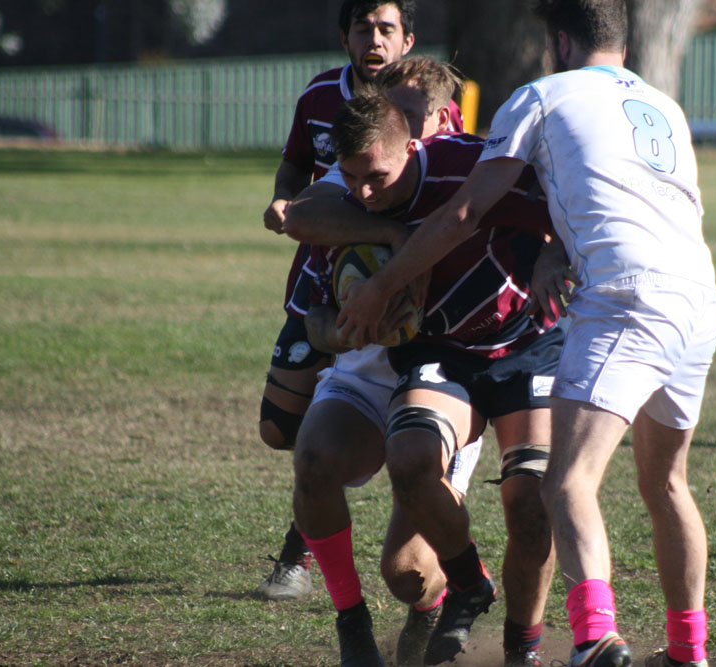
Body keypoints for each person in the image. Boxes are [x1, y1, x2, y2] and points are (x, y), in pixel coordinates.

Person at [332, 1, 716, 666]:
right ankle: (688, 651)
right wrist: (555, 249)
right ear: (623, 43)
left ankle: (594, 636)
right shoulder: (664, 107)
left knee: (566, 482)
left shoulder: (541, 95)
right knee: (667, 484)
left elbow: (464, 211)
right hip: (697, 296)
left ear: (560, 41)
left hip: (625, 294)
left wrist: (379, 286)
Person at [286, 90, 569, 666]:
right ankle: (467, 583)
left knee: (530, 501)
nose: (365, 193)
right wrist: (347, 328)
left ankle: (522, 650)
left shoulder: (469, 168)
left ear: (412, 148)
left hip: (528, 344)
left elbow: (568, 201)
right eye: (351, 178)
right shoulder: (348, 211)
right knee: (409, 457)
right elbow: (313, 295)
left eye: (377, 178)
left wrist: (555, 251)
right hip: (443, 352)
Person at [254, 0, 462, 602]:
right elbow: (299, 181)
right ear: (344, 36)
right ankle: (324, 513)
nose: (374, 39)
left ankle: (313, 551)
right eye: (362, 28)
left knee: (408, 568)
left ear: (407, 40)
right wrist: (381, 235)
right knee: (283, 431)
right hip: (325, 281)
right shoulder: (322, 96)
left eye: (385, 28)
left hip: (433, 345)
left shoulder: (452, 148)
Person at [285, 57, 485, 667]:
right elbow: (301, 219)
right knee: (311, 460)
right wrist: (345, 325)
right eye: (389, 107)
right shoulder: (357, 180)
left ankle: (432, 605)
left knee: (406, 573)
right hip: (365, 377)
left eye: (411, 113)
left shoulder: (468, 174)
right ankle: (351, 621)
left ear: (442, 120)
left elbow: (543, 205)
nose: (395, 120)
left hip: (444, 381)